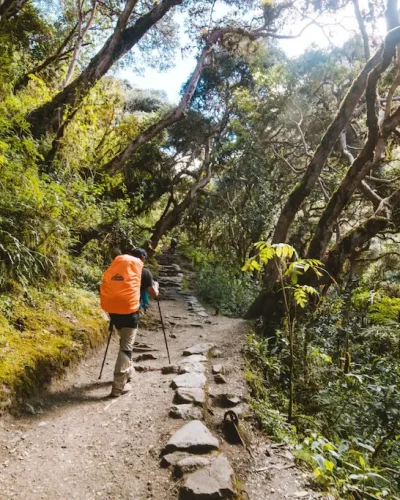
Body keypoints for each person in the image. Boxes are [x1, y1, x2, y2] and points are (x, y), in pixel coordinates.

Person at [100, 248, 159, 398]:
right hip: (130, 312)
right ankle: (118, 387)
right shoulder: (143, 271)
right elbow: (153, 294)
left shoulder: (116, 267)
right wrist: (156, 286)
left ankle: (129, 371)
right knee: (126, 346)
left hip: (113, 311)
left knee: (124, 341)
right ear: (142, 259)